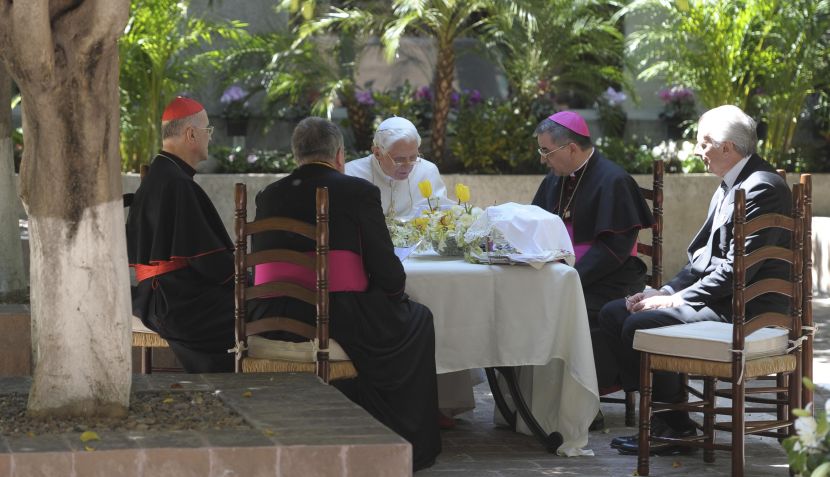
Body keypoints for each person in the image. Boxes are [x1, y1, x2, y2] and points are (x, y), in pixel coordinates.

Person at [250, 117, 441, 471]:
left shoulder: (269, 195)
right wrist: (395, 295)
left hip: (270, 315)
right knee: (418, 321)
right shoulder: (357, 191)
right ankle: (399, 437)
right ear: (339, 156)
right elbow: (386, 271)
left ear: (296, 155)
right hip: (335, 314)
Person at [599, 105, 791, 455]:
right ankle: (675, 421)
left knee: (638, 324)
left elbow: (739, 270)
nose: (698, 152)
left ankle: (672, 424)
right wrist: (666, 290)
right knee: (615, 313)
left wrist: (675, 302)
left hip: (749, 311)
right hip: (723, 298)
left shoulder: (762, 188)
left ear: (727, 147)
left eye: (704, 144)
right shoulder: (731, 184)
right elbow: (703, 260)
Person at [531, 111, 655, 391]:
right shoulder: (555, 178)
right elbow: (535, 225)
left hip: (608, 279)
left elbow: (614, 249)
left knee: (567, 313)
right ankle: (535, 398)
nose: (543, 159)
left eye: (546, 151)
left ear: (571, 148)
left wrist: (569, 277)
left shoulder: (614, 181)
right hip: (562, 275)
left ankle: (580, 399)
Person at [126, 96, 235, 373]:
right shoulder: (178, 184)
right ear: (191, 134)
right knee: (256, 313)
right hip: (176, 303)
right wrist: (244, 277)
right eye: (207, 131)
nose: (210, 138)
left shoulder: (161, 175)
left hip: (154, 298)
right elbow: (210, 263)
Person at [345, 116, 448, 219]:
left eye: (413, 157)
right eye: (399, 159)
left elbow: (439, 217)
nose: (407, 166)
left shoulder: (428, 171)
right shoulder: (352, 174)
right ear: (377, 153)